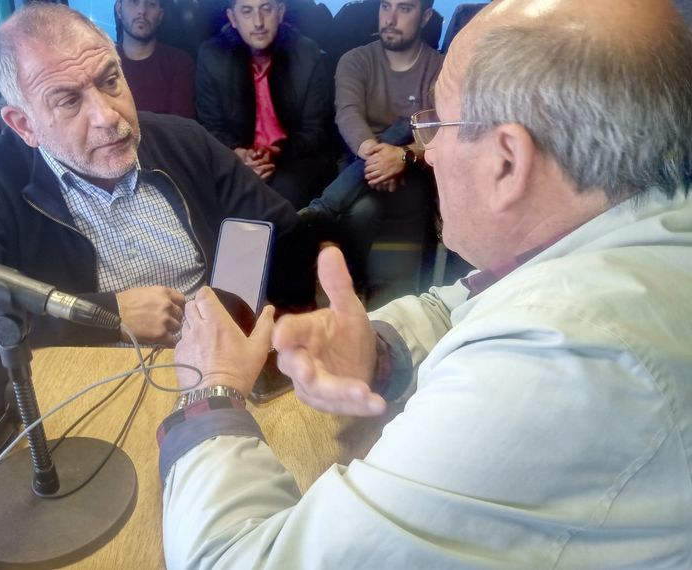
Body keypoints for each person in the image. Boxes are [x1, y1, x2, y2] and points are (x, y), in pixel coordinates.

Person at [158, 0, 692, 566]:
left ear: (507, 162)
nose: (427, 152)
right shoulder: (633, 231)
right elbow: (469, 299)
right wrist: (380, 352)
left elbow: (235, 560)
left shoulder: (561, 358)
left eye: (435, 126)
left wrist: (210, 393)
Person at [0, 3, 311, 353]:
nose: (108, 116)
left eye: (109, 81)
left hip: (221, 360)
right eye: (69, 101)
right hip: (90, 385)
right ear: (24, 125)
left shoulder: (183, 141)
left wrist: (238, 317)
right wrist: (104, 317)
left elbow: (278, 231)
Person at [300, 0, 443, 287]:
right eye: (385, 7)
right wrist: (377, 156)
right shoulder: (355, 59)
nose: (390, 18)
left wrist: (402, 156)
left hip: (416, 166)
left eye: (404, 9)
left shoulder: (441, 68)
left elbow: (438, 133)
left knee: (406, 128)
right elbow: (347, 113)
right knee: (363, 210)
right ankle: (351, 290)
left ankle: (318, 212)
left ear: (425, 16)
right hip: (359, 159)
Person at [196, 0, 336, 209]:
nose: (258, 22)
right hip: (235, 158)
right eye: (247, 11)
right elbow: (209, 128)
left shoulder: (307, 53)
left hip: (295, 158)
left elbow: (317, 131)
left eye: (266, 9)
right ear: (233, 18)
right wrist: (238, 154)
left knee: (281, 194)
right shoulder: (212, 55)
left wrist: (276, 153)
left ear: (280, 12)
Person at [115, 0, 196, 117]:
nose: (142, 11)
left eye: (151, 4)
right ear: (119, 10)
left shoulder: (180, 63)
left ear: (160, 16)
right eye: (134, 2)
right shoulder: (103, 61)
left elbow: (180, 125)